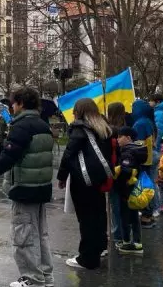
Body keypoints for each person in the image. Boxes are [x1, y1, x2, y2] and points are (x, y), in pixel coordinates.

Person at [0, 88, 54, 287]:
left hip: (25, 187)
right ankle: (44, 275)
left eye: (13, 103)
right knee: (40, 234)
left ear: (21, 103)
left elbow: (7, 158)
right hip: (40, 187)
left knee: (23, 234)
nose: (11, 107)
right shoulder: (42, 124)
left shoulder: (22, 126)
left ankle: (33, 278)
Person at [57, 98, 113, 270]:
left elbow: (68, 154)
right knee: (98, 215)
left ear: (79, 111)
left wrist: (61, 176)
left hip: (83, 180)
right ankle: (100, 248)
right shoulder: (103, 127)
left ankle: (87, 258)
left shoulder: (79, 129)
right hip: (99, 178)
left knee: (86, 219)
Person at [114, 126, 147, 255]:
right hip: (134, 189)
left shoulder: (127, 152)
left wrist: (116, 170)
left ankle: (127, 242)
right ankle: (137, 242)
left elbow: (126, 170)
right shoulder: (137, 149)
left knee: (125, 216)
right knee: (133, 215)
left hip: (126, 188)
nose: (117, 139)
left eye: (120, 137)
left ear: (128, 138)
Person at [132, 99, 157, 228]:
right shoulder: (148, 121)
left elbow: (138, 143)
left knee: (142, 188)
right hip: (148, 158)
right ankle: (150, 214)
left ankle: (146, 215)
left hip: (142, 161)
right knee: (148, 186)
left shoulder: (139, 124)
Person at [107, 102, 127, 248]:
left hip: (115, 171)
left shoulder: (111, 130)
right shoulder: (127, 128)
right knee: (124, 204)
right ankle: (125, 233)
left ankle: (117, 235)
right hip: (127, 171)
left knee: (115, 205)